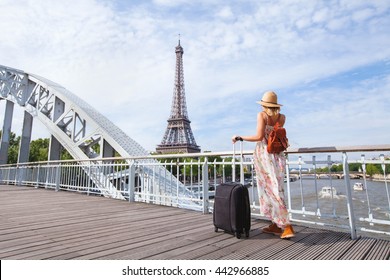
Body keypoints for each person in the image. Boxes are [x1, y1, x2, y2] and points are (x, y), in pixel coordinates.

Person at [232, 91, 295, 239]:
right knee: (276, 189)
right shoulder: (282, 117)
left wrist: (240, 137)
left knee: (270, 191)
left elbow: (259, 137)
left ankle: (287, 226)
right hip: (278, 156)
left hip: (265, 156)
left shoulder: (262, 115)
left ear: (263, 104)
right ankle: (275, 224)